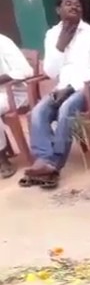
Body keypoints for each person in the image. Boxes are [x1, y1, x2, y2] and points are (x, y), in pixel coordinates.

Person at [21, 0, 90, 190]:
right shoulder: (52, 35)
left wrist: (71, 88)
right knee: (37, 112)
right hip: (61, 89)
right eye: (68, 4)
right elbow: (51, 72)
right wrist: (60, 46)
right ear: (58, 10)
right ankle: (44, 160)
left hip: (89, 89)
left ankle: (52, 164)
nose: (74, 7)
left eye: (77, 4)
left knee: (68, 108)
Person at [0, 29, 35, 179]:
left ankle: (2, 158)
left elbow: (26, 70)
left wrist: (3, 78)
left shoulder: (3, 42)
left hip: (13, 92)